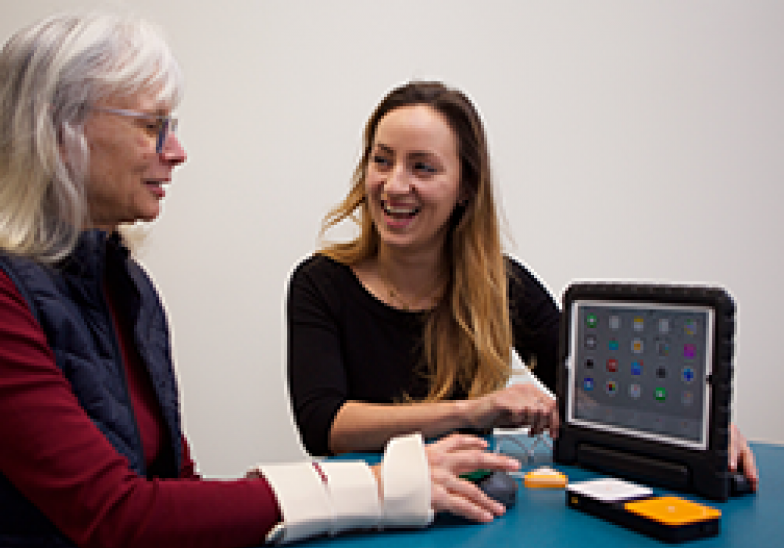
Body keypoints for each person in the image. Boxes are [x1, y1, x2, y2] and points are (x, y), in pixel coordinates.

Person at [0, 15, 521, 548]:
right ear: (59, 131)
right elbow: (116, 517)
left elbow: (174, 492)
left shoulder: (125, 286)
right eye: (151, 126)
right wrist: (379, 488)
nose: (176, 151)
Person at [286, 81, 758, 489]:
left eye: (422, 167)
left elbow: (595, 392)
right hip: (366, 511)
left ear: (466, 187)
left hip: (468, 513)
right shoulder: (319, 284)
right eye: (382, 161)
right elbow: (323, 425)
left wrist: (693, 431)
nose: (393, 185)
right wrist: (476, 410)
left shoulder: (502, 285)